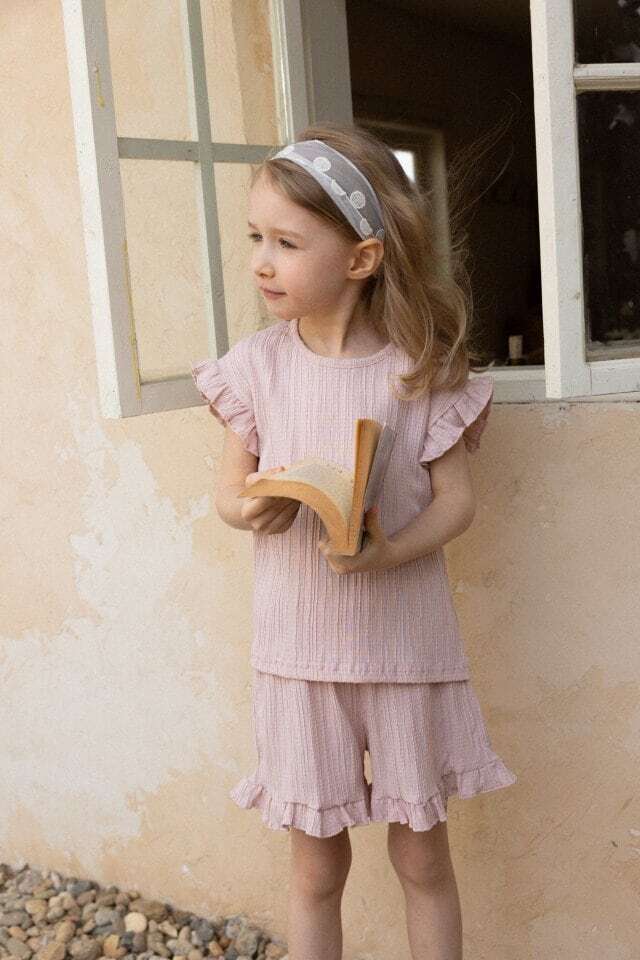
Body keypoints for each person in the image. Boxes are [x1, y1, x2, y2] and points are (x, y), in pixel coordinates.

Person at [191, 121, 517, 960]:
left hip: (405, 653)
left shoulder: (420, 369)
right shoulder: (255, 367)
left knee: (422, 858)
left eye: (287, 243)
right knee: (315, 868)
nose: (261, 262)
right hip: (299, 658)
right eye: (256, 238)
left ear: (362, 258)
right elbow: (227, 492)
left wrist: (386, 552)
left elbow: (456, 502)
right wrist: (252, 509)